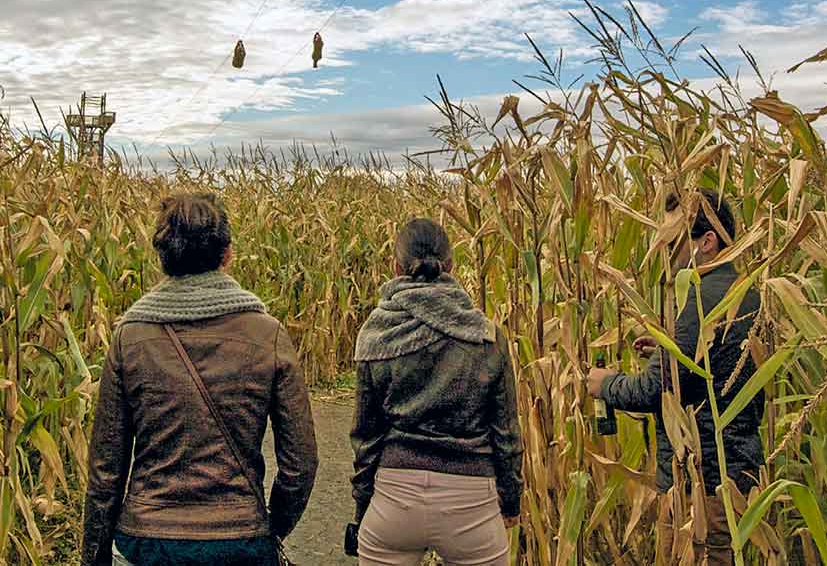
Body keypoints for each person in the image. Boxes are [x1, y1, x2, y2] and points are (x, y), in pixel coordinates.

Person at [80, 193, 318, 566]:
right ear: (227, 255)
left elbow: (105, 468)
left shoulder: (130, 337)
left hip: (148, 541)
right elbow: (300, 463)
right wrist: (272, 528)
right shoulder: (266, 334)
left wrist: (93, 556)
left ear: (163, 258)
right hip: (240, 538)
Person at [587, 190, 764, 566]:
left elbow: (654, 391)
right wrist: (667, 351)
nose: (664, 254)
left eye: (671, 242)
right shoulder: (744, 291)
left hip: (705, 481)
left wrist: (606, 384)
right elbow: (715, 367)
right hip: (739, 468)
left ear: (707, 241)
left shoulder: (699, 296)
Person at [349, 218, 523, 566]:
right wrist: (511, 502)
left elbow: (366, 437)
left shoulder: (375, 335)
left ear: (396, 267)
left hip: (394, 500)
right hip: (472, 502)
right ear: (451, 266)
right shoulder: (486, 336)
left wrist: (363, 506)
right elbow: (505, 434)